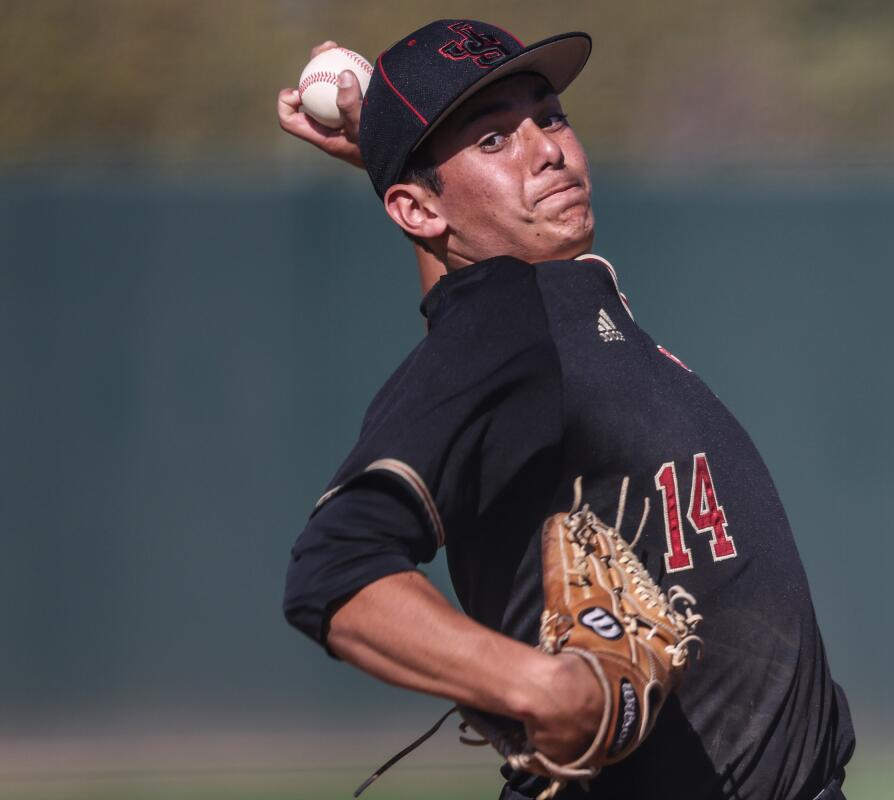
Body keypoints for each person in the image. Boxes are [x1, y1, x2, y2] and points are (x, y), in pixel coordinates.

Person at [279, 19, 855, 800]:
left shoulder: (548, 309)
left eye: (548, 115)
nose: (547, 148)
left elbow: (466, 284)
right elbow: (336, 569)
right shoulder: (509, 320)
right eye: (492, 139)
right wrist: (536, 687)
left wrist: (392, 152)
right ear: (415, 210)